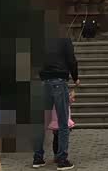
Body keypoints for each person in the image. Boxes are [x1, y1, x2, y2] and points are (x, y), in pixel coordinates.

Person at [32, 29, 79, 170]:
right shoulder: (65, 38)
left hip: (44, 82)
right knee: (63, 123)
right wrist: (75, 77)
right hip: (59, 81)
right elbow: (71, 60)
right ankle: (62, 159)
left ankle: (38, 158)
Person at [49, 90, 75, 162]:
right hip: (63, 120)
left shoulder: (53, 95)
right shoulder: (63, 95)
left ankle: (56, 155)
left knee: (56, 138)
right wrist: (72, 95)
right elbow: (69, 101)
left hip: (55, 120)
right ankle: (61, 155)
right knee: (63, 139)